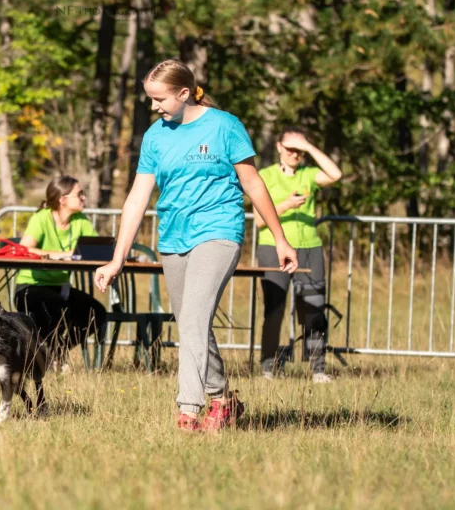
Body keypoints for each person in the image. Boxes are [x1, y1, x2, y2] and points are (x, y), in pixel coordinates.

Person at [93, 59, 298, 432]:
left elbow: (253, 185)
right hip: (173, 238)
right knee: (191, 321)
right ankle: (223, 399)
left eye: (160, 99)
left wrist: (280, 238)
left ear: (184, 93)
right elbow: (137, 198)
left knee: (194, 319)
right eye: (150, 99)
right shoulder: (156, 136)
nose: (154, 107)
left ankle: (189, 409)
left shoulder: (225, 126)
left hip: (218, 231)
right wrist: (116, 259)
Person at [254, 126, 342, 383]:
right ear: (279, 147)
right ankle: (268, 366)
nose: (295, 154)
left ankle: (318, 369)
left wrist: (309, 147)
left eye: (299, 150)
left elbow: (335, 174)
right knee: (275, 307)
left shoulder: (308, 174)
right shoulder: (266, 175)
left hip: (309, 247)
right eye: (291, 148)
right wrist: (285, 205)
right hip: (274, 246)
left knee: (313, 306)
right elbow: (259, 220)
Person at [15, 176, 107, 372]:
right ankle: (41, 357)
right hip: (31, 286)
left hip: (60, 288)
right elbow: (25, 250)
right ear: (62, 199)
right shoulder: (41, 218)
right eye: (80, 194)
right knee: (56, 305)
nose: (84, 198)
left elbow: (97, 251)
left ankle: (57, 351)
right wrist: (63, 256)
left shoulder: (80, 221)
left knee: (97, 312)